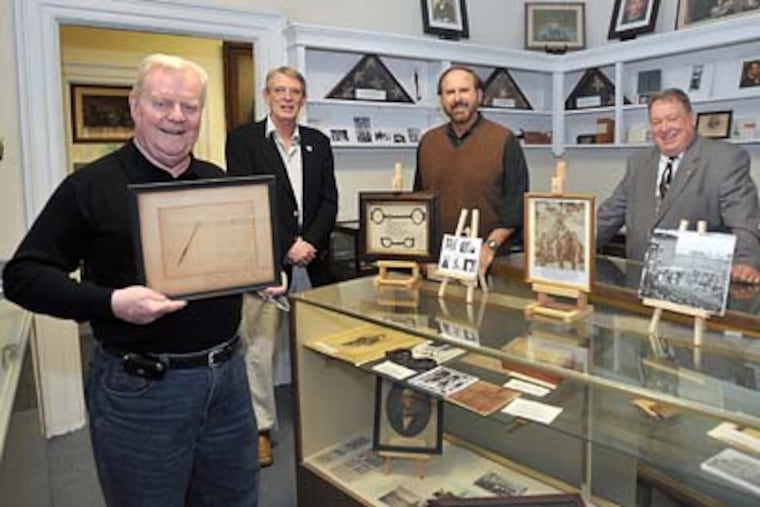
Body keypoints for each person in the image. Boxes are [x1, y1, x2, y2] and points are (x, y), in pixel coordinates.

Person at [2, 54, 258, 505]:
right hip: (143, 391)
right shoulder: (90, 186)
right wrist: (112, 303)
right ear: (135, 106)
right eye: (163, 103)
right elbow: (23, 276)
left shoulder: (217, 181)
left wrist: (255, 273)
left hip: (229, 382)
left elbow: (224, 262)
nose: (177, 117)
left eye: (190, 106)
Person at [226, 66, 338, 467]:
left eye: (294, 91)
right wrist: (287, 245)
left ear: (303, 99)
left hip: (315, 261)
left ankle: (323, 417)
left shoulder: (318, 143)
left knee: (320, 345)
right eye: (279, 90)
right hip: (266, 263)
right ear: (266, 95)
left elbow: (329, 200)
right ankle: (260, 429)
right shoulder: (243, 141)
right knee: (258, 349)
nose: (287, 98)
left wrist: (309, 244)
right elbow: (245, 200)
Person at [597, 88, 760, 284]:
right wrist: (575, 245)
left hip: (694, 289)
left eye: (672, 118)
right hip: (638, 286)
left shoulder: (725, 158)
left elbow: (743, 222)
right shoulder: (639, 162)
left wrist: (745, 263)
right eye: (656, 122)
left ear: (691, 119)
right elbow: (610, 214)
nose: (664, 128)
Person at [414, 65, 529, 274]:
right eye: (450, 92)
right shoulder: (428, 143)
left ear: (479, 95)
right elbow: (420, 203)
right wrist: (419, 252)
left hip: (489, 263)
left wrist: (491, 246)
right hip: (437, 262)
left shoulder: (504, 140)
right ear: (441, 100)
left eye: (464, 90)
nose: (457, 98)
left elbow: (516, 205)